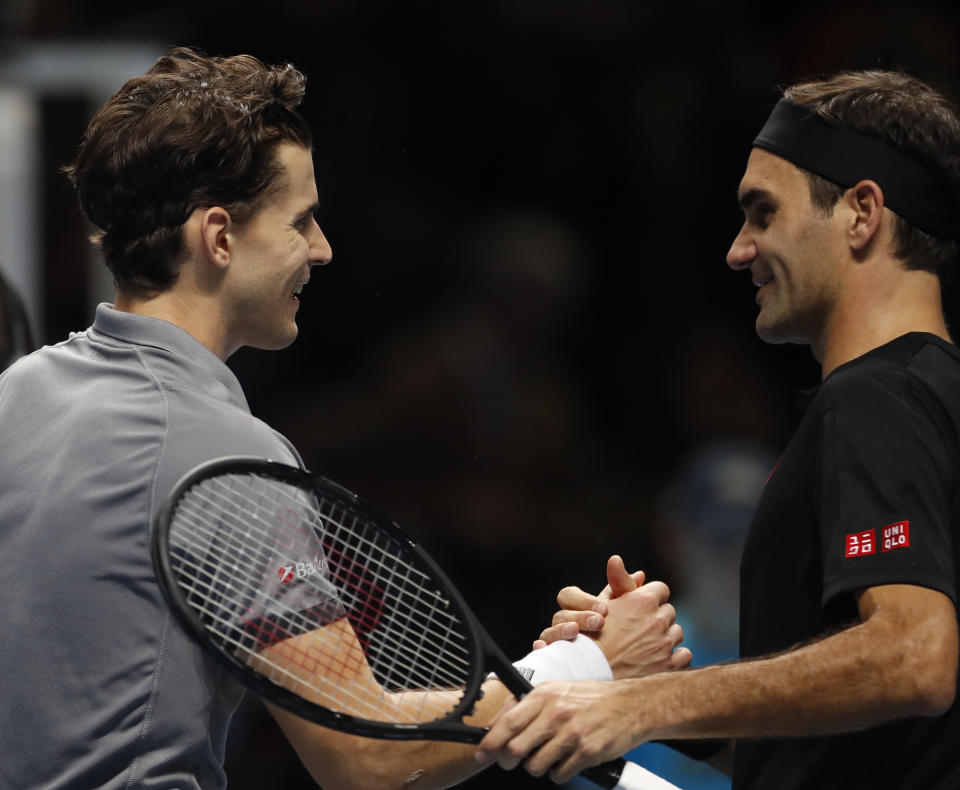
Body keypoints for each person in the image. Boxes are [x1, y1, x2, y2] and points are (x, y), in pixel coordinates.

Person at [0, 47, 688, 790]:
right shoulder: (228, 454)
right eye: (300, 222)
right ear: (219, 237)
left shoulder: (16, 393)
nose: (322, 251)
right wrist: (586, 665)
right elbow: (361, 753)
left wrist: (534, 673)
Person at [477, 69, 960, 789]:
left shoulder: (874, 398)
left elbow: (916, 656)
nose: (739, 250)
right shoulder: (933, 393)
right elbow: (849, 749)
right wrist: (653, 696)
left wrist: (641, 705)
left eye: (762, 214)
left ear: (862, 213)